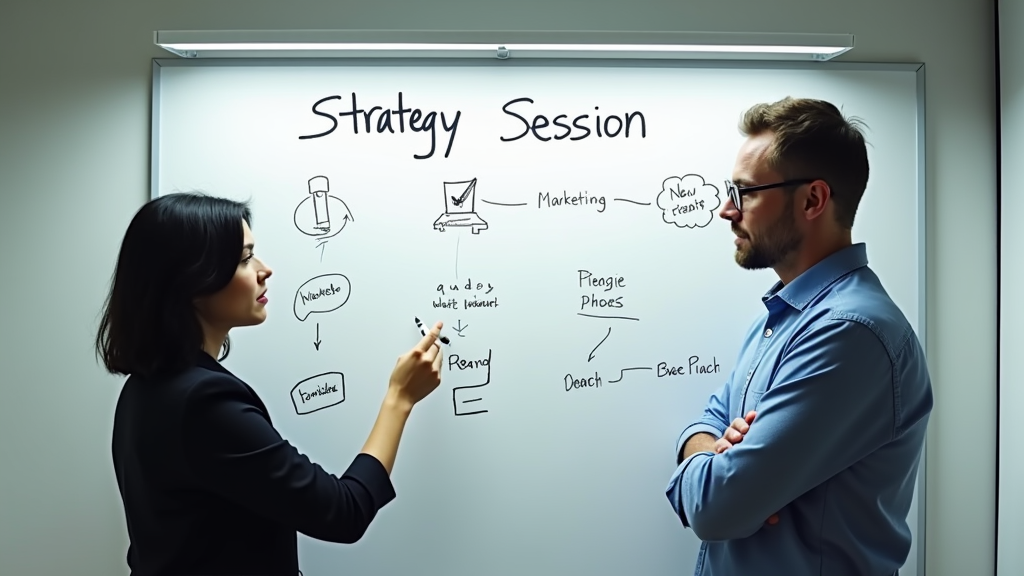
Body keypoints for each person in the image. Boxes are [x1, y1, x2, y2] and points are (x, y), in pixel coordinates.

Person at [96, 192, 445, 576]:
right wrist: (399, 398)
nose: (265, 269)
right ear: (194, 281)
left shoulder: (145, 389)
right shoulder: (203, 403)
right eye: (245, 258)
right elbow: (343, 511)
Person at [664, 97, 933, 576]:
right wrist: (707, 449)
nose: (727, 210)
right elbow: (708, 419)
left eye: (745, 192)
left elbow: (715, 507)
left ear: (812, 200)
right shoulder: (783, 315)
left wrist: (721, 474)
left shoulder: (847, 334)